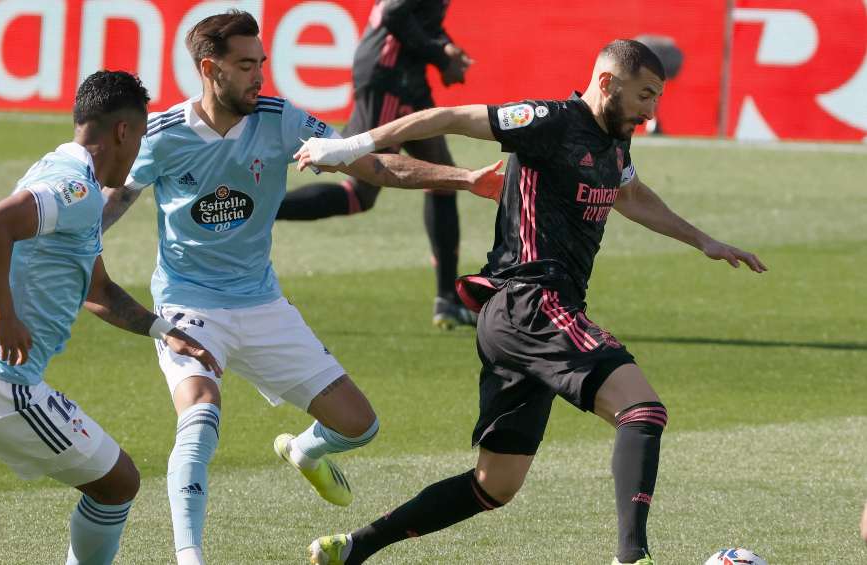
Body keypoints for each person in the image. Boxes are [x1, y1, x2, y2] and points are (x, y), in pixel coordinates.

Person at [296, 39, 767, 565]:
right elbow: (449, 116)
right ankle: (632, 558)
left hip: (521, 318)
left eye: (656, 98)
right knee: (642, 411)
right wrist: (349, 146)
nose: (651, 111)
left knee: (494, 484)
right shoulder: (550, 121)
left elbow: (631, 195)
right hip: (531, 302)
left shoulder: (615, 140)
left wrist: (703, 240)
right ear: (607, 83)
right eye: (645, 95)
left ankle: (354, 547)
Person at [100, 10, 500, 565]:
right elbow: (110, 204)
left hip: (261, 302)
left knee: (360, 426)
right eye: (246, 65)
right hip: (188, 305)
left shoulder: (282, 120)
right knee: (199, 416)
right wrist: (57, 250)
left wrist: (465, 178)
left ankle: (305, 450)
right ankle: (189, 556)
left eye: (261, 63)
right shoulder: (164, 135)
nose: (259, 76)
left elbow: (373, 166)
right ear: (210, 68)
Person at [0, 70, 220, 565]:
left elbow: (97, 289)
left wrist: (163, 331)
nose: (139, 151)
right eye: (140, 137)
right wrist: (4, 314)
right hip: (1, 384)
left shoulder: (62, 168)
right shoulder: (76, 189)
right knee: (118, 485)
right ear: (122, 132)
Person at [275, 0, 476, 330]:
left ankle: (448, 300)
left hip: (406, 75)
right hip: (389, 76)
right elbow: (394, 12)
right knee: (360, 192)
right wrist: (441, 56)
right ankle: (263, 208)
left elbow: (418, 15)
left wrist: (444, 48)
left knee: (444, 179)